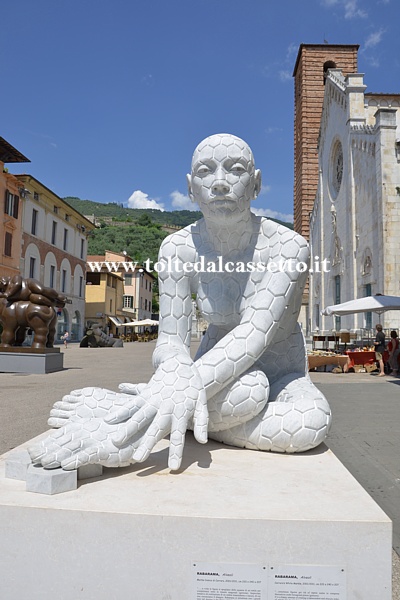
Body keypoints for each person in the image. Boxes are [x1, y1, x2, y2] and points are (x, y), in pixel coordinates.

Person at [29, 133, 332, 472]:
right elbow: (170, 341)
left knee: (308, 422)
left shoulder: (289, 248)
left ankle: (130, 410)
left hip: (280, 377)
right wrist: (174, 368)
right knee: (249, 389)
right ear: (191, 187)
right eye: (205, 172)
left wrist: (139, 417)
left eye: (235, 170)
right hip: (213, 383)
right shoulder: (177, 248)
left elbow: (253, 335)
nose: (219, 183)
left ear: (255, 183)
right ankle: (167, 412)